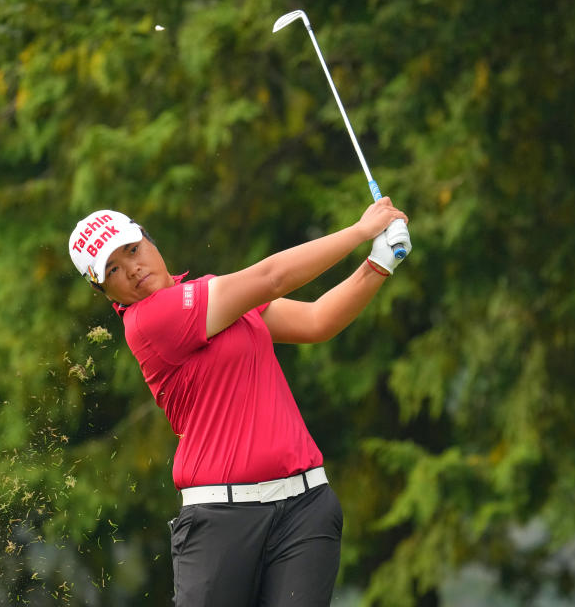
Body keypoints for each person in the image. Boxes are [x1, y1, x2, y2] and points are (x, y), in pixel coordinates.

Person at [67, 198, 411, 606]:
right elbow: (271, 278)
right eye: (112, 271)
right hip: (222, 520)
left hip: (305, 507)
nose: (133, 270)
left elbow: (317, 321)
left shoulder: (215, 299)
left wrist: (378, 264)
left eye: (132, 250)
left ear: (147, 238)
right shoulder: (149, 321)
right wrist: (360, 231)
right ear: (102, 290)